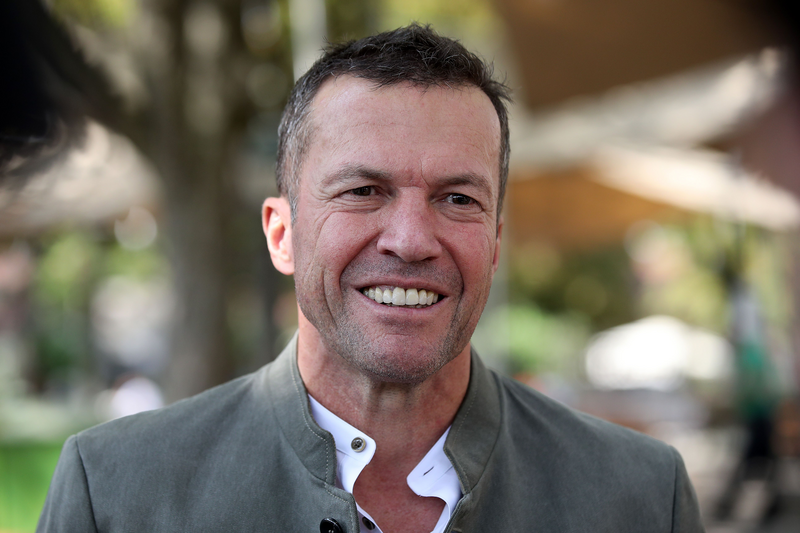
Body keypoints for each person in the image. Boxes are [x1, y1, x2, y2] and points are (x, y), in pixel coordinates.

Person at [37, 25, 705, 533]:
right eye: (362, 190)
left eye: (458, 199)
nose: (411, 240)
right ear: (281, 233)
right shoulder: (118, 495)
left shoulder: (640, 497)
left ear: (496, 239)